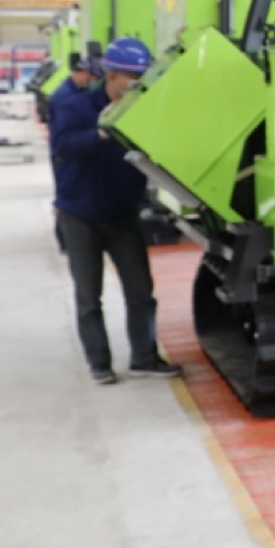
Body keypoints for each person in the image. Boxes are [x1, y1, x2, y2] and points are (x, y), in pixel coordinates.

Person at [50, 37, 181, 385]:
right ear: (111, 76)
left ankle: (144, 357)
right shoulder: (76, 108)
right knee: (89, 297)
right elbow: (62, 145)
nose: (136, 85)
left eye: (141, 79)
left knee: (141, 293)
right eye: (131, 78)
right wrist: (101, 133)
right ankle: (99, 363)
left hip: (122, 215)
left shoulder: (140, 111)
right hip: (80, 216)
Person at [47, 53, 99, 252]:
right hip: (63, 155)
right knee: (66, 197)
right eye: (89, 76)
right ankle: (65, 241)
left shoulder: (72, 91)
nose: (91, 81)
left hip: (64, 152)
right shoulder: (65, 97)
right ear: (79, 73)